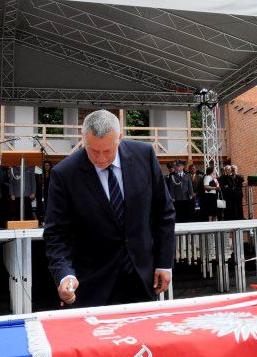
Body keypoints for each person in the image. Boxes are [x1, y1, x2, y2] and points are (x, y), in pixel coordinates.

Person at [44, 110, 175, 308]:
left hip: (141, 278)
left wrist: (164, 262)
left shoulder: (144, 155)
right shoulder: (64, 174)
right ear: (83, 141)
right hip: (92, 285)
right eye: (93, 151)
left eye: (107, 151)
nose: (100, 158)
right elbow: (56, 233)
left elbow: (163, 212)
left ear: (120, 138)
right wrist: (65, 275)